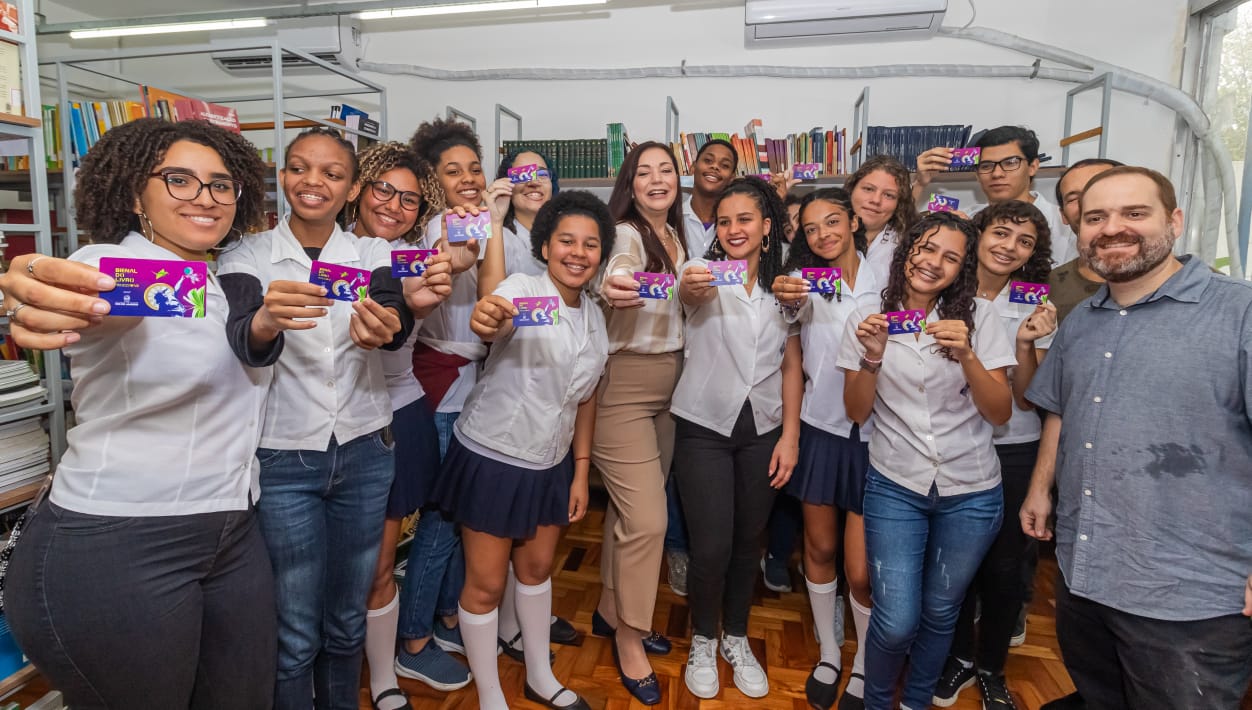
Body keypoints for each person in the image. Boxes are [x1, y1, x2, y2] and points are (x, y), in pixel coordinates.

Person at [3, 118, 276, 709]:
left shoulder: (221, 282)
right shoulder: (118, 263)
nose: (205, 197)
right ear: (134, 194)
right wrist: (32, 283)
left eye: (221, 184)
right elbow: (87, 291)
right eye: (179, 180)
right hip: (121, 539)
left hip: (232, 528)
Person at [1020, 166, 1252, 710]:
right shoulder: (1083, 321)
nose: (1112, 228)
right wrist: (1039, 488)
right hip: (1088, 575)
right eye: (1095, 217)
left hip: (1192, 598)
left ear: (1174, 220)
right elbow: (1059, 410)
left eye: (1134, 213)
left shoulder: (1239, 313)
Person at [216, 127, 418, 710]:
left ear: (352, 187)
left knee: (348, 620)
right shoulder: (248, 255)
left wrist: (389, 328)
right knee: (296, 629)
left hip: (364, 450)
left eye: (332, 173)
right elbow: (242, 337)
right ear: (282, 177)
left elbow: (395, 308)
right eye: (300, 168)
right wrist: (264, 321)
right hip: (283, 457)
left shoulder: (371, 253)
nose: (314, 182)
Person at [433, 190, 614, 710]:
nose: (577, 253)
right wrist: (490, 315)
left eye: (590, 244)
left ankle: (541, 675)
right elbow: (496, 311)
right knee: (486, 586)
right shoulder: (523, 288)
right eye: (566, 242)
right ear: (546, 245)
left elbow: (587, 398)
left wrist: (580, 473)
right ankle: (490, 694)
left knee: (536, 572)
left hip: (552, 462)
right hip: (495, 456)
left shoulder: (595, 316)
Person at [839, 211, 1017, 710]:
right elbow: (856, 411)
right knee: (896, 620)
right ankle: (878, 703)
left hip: (972, 490)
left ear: (961, 269)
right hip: (897, 483)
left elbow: (1000, 411)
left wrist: (967, 356)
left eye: (950, 257)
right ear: (907, 249)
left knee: (941, 613)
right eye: (926, 247)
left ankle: (915, 702)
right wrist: (871, 356)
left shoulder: (980, 318)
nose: (933, 262)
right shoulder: (866, 317)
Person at [674, 177, 801, 700]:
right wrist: (692, 286)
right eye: (723, 221)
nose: (733, 230)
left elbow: (792, 363)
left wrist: (790, 436)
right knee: (711, 545)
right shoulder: (700, 272)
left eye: (744, 219)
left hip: (764, 428)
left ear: (767, 226)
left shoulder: (786, 284)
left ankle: (737, 636)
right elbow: (687, 290)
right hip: (703, 425)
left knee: (749, 541)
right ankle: (704, 639)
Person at [932, 201, 1056, 710]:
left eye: (1024, 241)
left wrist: (1026, 345)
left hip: (1014, 448)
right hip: (952, 447)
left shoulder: (1035, 301)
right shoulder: (940, 292)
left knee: (1006, 567)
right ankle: (958, 657)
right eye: (1000, 233)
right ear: (977, 235)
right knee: (954, 565)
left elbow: (1029, 398)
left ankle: (991, 668)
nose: (1009, 246)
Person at [348, 142, 457, 708]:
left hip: (398, 410)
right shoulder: (327, 249)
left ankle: (385, 675)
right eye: (383, 190)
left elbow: (457, 265)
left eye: (409, 199)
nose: (393, 205)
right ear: (358, 189)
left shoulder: (420, 257)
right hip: (325, 424)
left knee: (382, 561)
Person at [772, 187, 888, 710]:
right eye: (811, 227)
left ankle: (865, 661)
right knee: (818, 549)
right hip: (821, 429)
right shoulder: (800, 288)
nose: (823, 234)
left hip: (879, 435)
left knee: (861, 569)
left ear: (855, 222)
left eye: (833, 221)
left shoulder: (888, 278)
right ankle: (827, 651)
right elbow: (792, 362)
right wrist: (791, 433)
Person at [591, 141, 688, 705]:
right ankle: (629, 637)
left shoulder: (678, 237)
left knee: (627, 517)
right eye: (644, 172)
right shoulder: (626, 232)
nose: (657, 179)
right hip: (624, 386)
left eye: (666, 170)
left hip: (670, 386)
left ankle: (609, 608)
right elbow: (618, 271)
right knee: (650, 521)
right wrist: (615, 283)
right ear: (630, 182)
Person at [915, 126, 1070, 265]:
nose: (997, 174)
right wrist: (920, 184)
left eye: (1010, 163)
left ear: (1032, 166)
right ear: (976, 174)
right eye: (986, 166)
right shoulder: (967, 217)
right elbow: (898, 235)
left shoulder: (1064, 224)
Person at [1048, 158, 1124, 324]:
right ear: (1063, 215)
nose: (1087, 202)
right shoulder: (1049, 285)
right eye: (1074, 198)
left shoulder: (1171, 282)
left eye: (1099, 189)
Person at [847, 156, 917, 278]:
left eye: (889, 195)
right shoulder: (825, 235)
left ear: (899, 204)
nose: (876, 200)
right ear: (852, 189)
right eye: (868, 189)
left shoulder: (907, 245)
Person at [682, 139, 737, 257]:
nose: (715, 167)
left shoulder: (737, 226)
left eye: (725, 165)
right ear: (693, 167)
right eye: (708, 160)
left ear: (732, 178)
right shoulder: (671, 218)